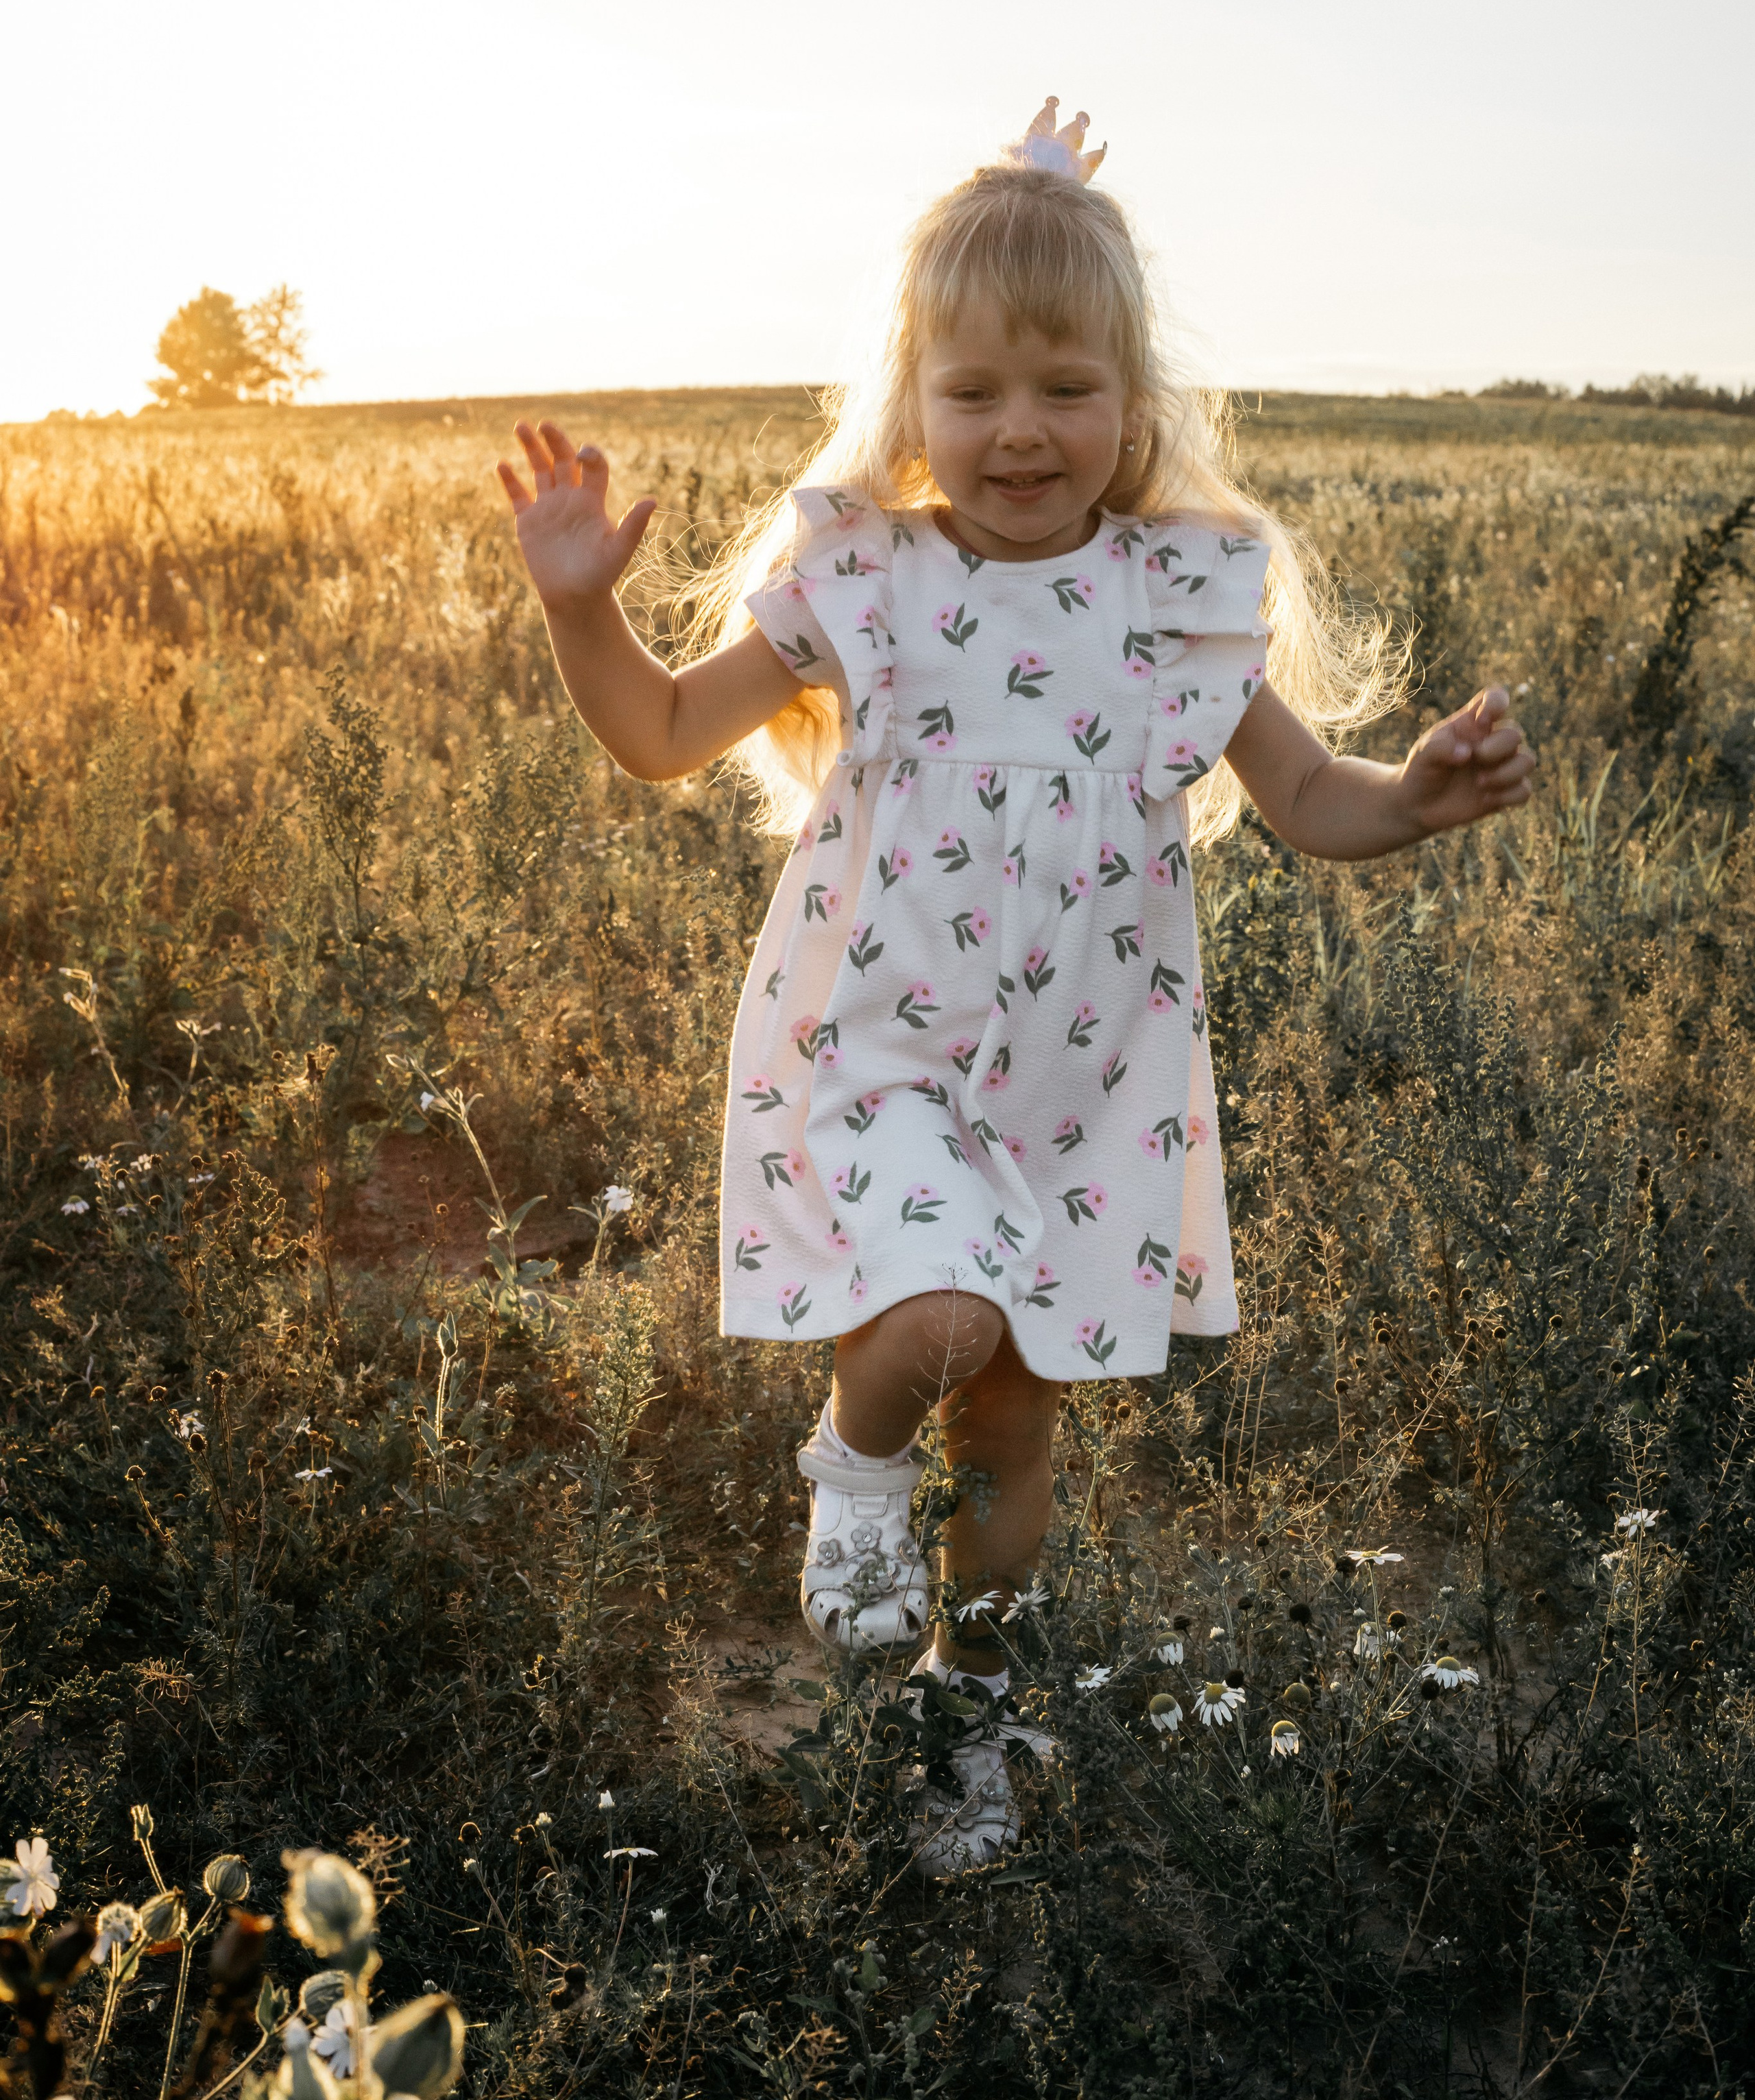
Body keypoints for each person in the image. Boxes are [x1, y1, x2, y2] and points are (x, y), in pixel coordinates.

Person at [496, 97, 1536, 1870]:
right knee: (935, 1325)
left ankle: (964, 1722)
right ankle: (850, 1467)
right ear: (914, 402)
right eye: (973, 391)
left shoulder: (1171, 601)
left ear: (1136, 402)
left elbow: (1309, 799)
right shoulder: (867, 580)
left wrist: (1418, 798)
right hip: (887, 1050)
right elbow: (664, 732)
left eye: (1066, 386)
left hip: (1087, 1078)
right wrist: (584, 609)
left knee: (1018, 1427)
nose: (1022, 429)